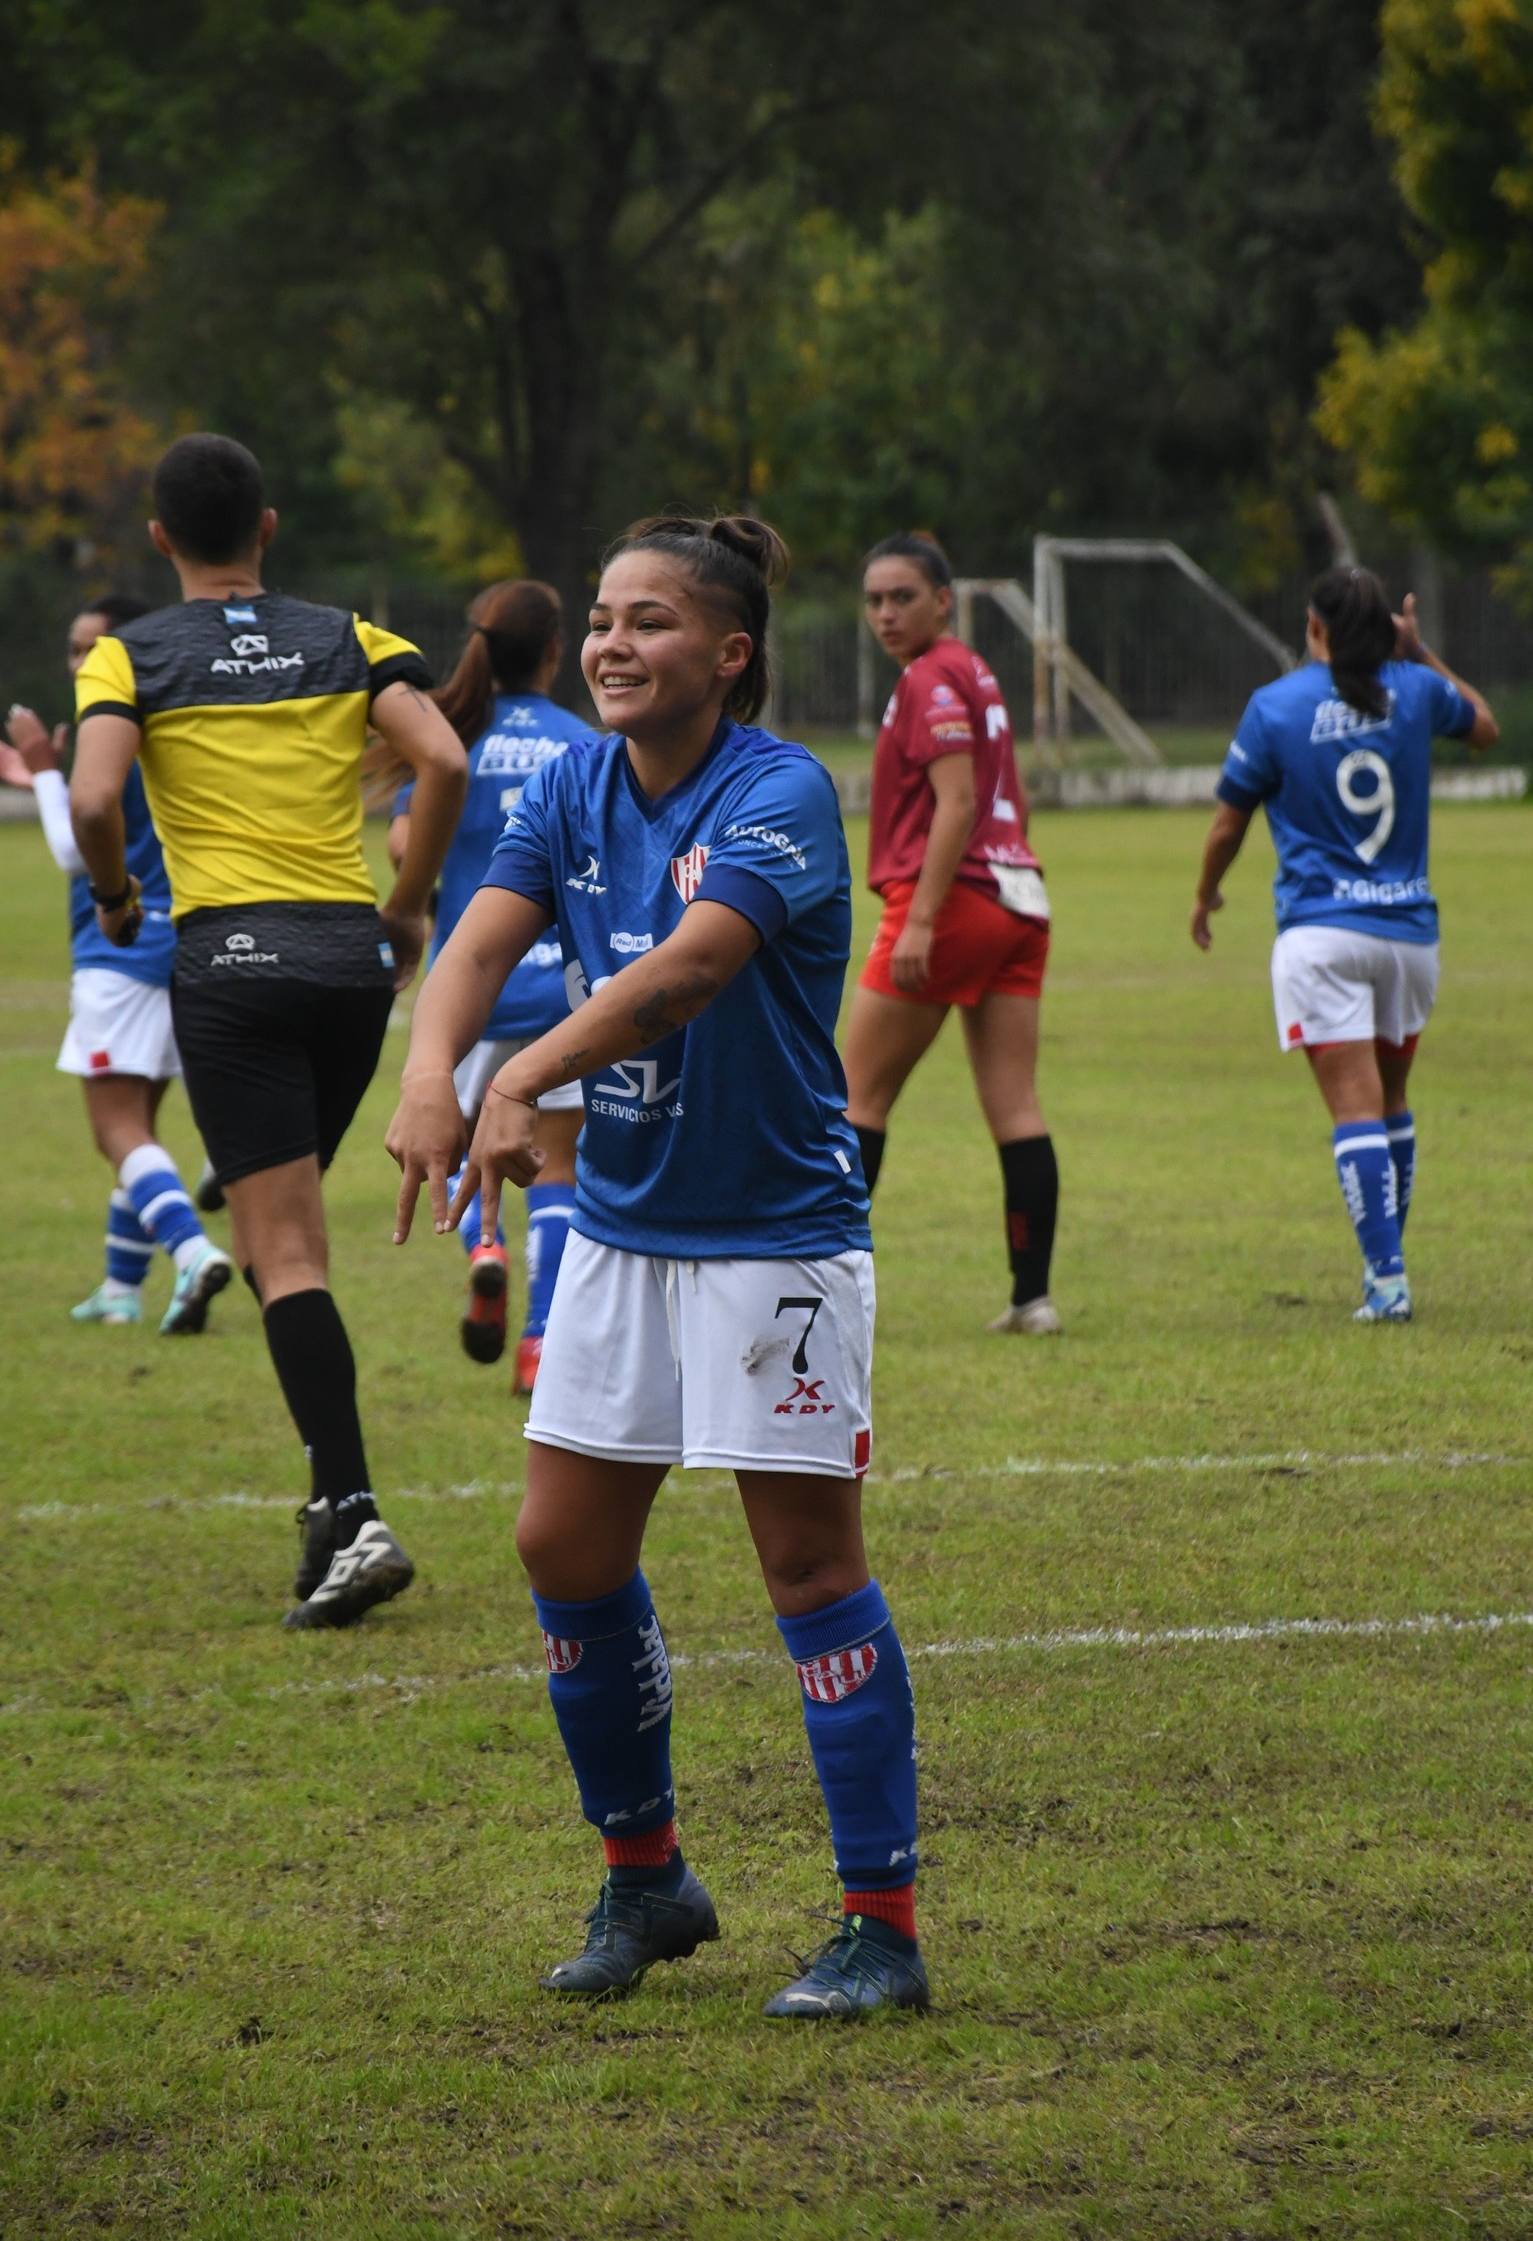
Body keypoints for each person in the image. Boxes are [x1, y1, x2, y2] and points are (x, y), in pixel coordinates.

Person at [386, 514, 927, 2019]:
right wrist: (436, 1066)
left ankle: (880, 1927)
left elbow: (684, 974)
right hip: (622, 1235)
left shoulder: (781, 790)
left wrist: (518, 1081)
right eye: (606, 620)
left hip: (776, 1240)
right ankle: (648, 1881)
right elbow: (480, 944)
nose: (617, 644)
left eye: (654, 623)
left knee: (808, 1568)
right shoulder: (568, 784)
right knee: (563, 1548)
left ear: (730, 655)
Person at [70, 433, 468, 1625]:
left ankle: (353, 1513)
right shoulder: (351, 636)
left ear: (158, 538)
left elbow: (94, 796)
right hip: (347, 962)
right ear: (269, 526)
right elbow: (440, 754)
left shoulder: (130, 653)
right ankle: (325, 1508)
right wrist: (405, 910)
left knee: (283, 1256)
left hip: (230, 965)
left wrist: (113, 893)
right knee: (275, 1242)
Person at [1191, 567, 1498, 1321]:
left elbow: (1228, 823)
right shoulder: (1416, 689)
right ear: (1389, 629)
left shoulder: (1275, 706)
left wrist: (1204, 894)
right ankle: (1384, 1268)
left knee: (1353, 1108)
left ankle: (1387, 1282)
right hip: (1408, 934)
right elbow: (1484, 727)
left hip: (1320, 934)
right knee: (1391, 1100)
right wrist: (1421, 653)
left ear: (1315, 626)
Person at [843, 531, 1061, 1334]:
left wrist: (922, 917)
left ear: (943, 599)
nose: (885, 613)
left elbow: (958, 802)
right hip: (1018, 899)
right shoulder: (972, 669)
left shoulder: (930, 679)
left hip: (954, 898)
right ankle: (1030, 1299)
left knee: (854, 1097)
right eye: (873, 599)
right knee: (1014, 1105)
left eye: (902, 596)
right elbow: (1008, 795)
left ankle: (825, 1287)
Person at [381, 580, 588, 1392]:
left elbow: (404, 846)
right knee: (559, 1169)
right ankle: (541, 1345)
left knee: (465, 1151)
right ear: (554, 651)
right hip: (562, 991)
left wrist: (444, 892)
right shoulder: (583, 744)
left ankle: (485, 1249)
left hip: (475, 993)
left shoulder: (451, 741)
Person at [3, 598, 230, 1331]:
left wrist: (41, 770)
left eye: (89, 649)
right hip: (184, 944)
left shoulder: (111, 730)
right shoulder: (173, 722)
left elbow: (77, 853)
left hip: (120, 948)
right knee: (142, 1127)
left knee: (117, 1131)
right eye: (72, 649)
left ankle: (192, 1252)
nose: (77, 664)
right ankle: (121, 1287)